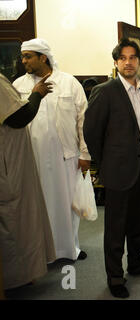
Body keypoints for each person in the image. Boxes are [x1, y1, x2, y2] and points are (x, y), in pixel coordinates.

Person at [84, 39, 140, 299]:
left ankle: (137, 263)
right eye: (123, 58)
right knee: (116, 226)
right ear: (116, 62)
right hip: (118, 169)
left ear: (139, 61)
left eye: (133, 57)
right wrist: (104, 163)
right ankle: (115, 276)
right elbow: (91, 131)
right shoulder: (105, 91)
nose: (129, 62)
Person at [13, 38, 90, 262]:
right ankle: (41, 252)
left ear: (42, 57)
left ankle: (69, 249)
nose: (23, 61)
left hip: (65, 156)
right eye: (23, 56)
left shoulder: (69, 83)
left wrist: (85, 154)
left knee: (68, 205)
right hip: (31, 158)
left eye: (28, 56)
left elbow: (83, 120)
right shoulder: (18, 86)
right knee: (37, 207)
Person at [0, 71, 56, 291]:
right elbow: (20, 117)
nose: (24, 61)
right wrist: (36, 95)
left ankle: (24, 273)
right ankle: (15, 277)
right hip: (8, 165)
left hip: (18, 160)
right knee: (13, 219)